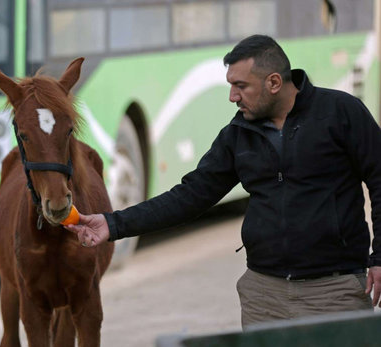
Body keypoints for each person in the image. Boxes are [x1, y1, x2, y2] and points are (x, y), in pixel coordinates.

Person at [67, 34, 381, 329]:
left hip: (335, 292)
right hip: (264, 296)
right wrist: (114, 225)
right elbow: (189, 196)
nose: (232, 96)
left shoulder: (341, 112)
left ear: (273, 83)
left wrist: (379, 257)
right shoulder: (237, 135)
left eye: (241, 86)